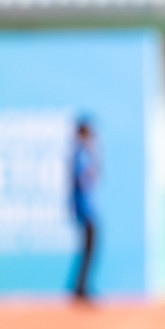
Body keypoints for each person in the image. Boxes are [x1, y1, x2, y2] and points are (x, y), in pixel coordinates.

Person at [69, 117, 99, 302]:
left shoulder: (82, 153)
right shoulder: (81, 154)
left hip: (86, 208)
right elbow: (83, 180)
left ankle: (82, 286)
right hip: (85, 209)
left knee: (88, 249)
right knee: (88, 249)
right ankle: (80, 287)